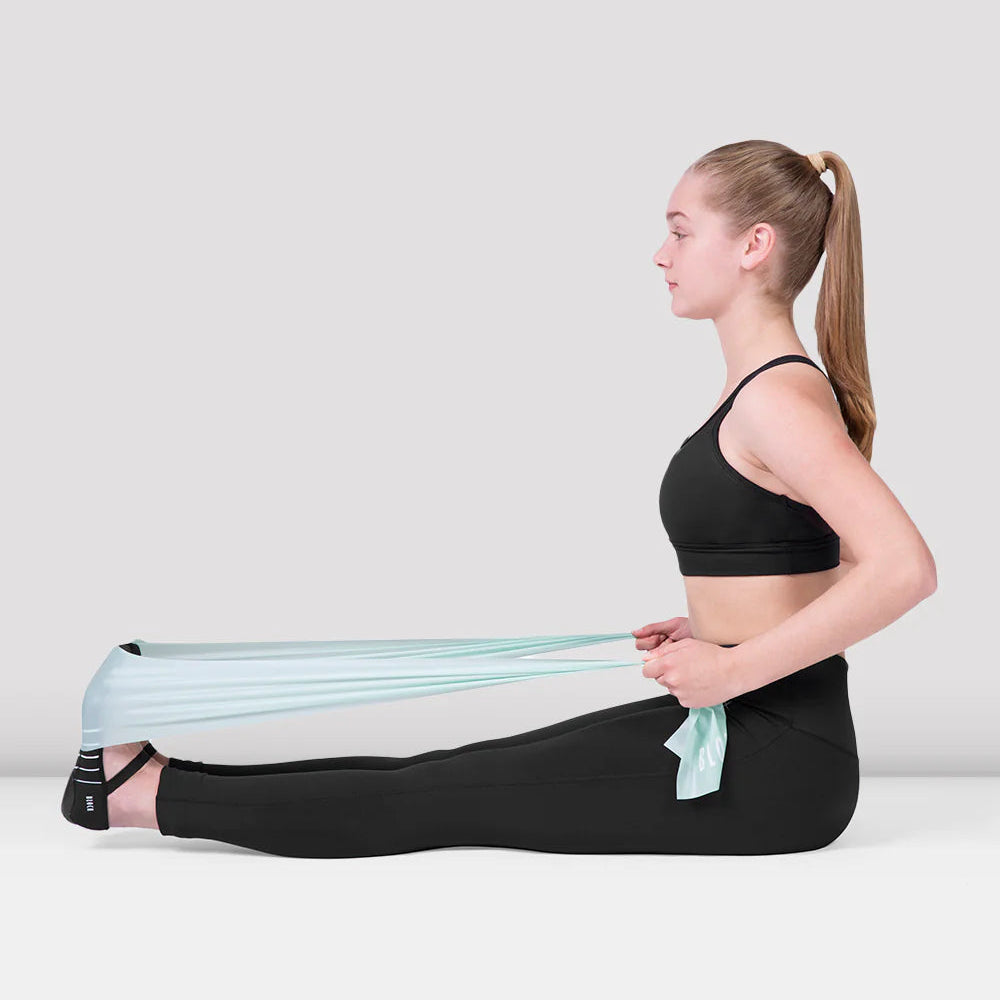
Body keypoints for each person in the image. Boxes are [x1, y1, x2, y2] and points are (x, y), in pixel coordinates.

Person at [62, 139, 936, 857]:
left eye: (680, 230)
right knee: (449, 770)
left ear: (753, 246)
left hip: (775, 762)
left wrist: (735, 667)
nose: (660, 254)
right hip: (754, 731)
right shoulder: (760, 392)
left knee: (437, 794)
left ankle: (144, 797)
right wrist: (714, 633)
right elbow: (827, 559)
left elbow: (902, 568)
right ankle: (155, 780)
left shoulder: (776, 401)